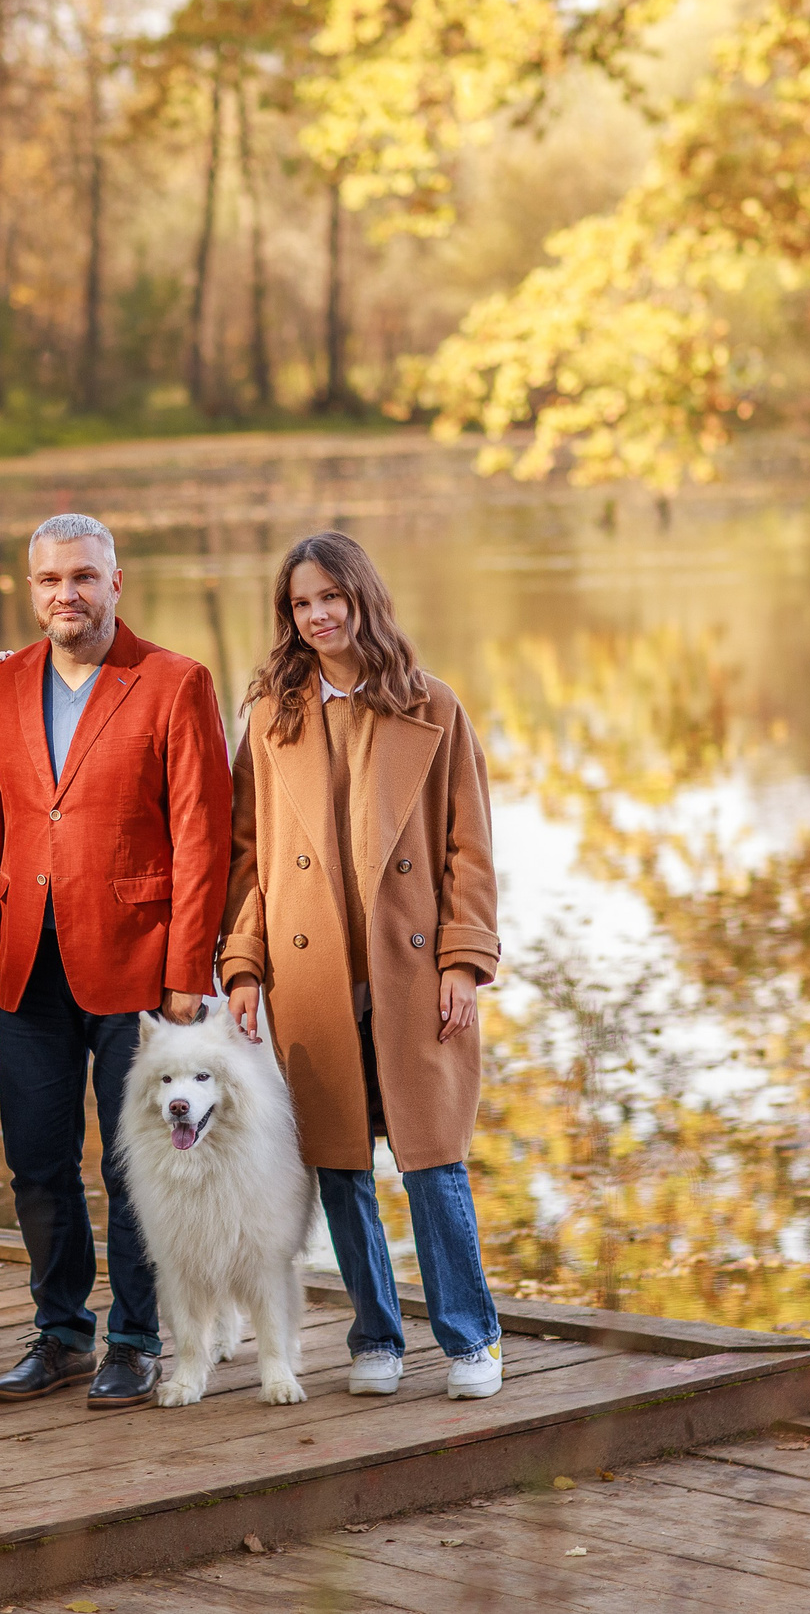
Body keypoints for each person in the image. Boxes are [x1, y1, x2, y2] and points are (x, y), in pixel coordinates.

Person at [0, 513, 233, 1410]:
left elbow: (203, 837)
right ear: (29, 591)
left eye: (82, 577)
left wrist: (190, 971)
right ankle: (62, 1331)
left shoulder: (175, 682)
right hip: (27, 960)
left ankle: (135, 1337)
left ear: (116, 582)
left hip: (141, 963)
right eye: (48, 581)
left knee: (137, 1164)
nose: (64, 594)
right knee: (36, 1159)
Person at [220, 531, 507, 1401]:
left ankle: (470, 1339)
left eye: (330, 598)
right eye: (302, 603)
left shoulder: (433, 707)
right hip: (311, 976)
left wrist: (463, 960)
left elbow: (471, 850)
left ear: (362, 598)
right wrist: (242, 967)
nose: (318, 615)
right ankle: (374, 1333)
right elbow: (245, 857)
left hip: (413, 970)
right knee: (340, 1160)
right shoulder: (273, 717)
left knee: (432, 1158)